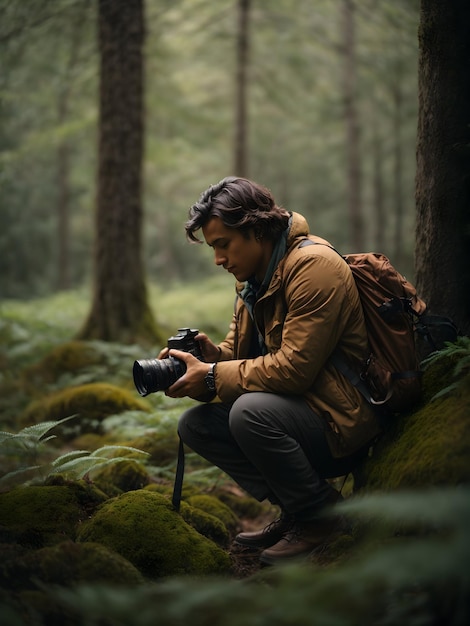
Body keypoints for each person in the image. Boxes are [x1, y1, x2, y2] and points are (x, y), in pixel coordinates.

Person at [163, 176, 381, 565]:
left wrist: (212, 377)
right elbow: (241, 354)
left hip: (344, 421)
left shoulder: (315, 268)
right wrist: (209, 358)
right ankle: (300, 508)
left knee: (249, 414)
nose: (218, 259)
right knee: (195, 425)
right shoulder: (251, 282)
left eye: (223, 245)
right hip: (297, 413)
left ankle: (319, 517)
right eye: (214, 248)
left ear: (257, 230)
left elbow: (293, 370)